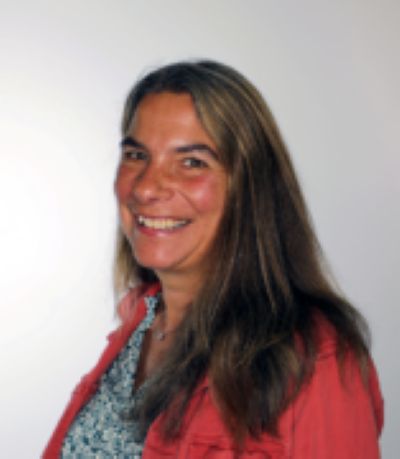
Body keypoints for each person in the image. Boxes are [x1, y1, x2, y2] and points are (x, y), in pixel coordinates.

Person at [43, 60, 383, 458]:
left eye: (192, 163)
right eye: (137, 155)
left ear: (249, 188)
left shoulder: (313, 361)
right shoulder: (138, 325)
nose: (148, 187)